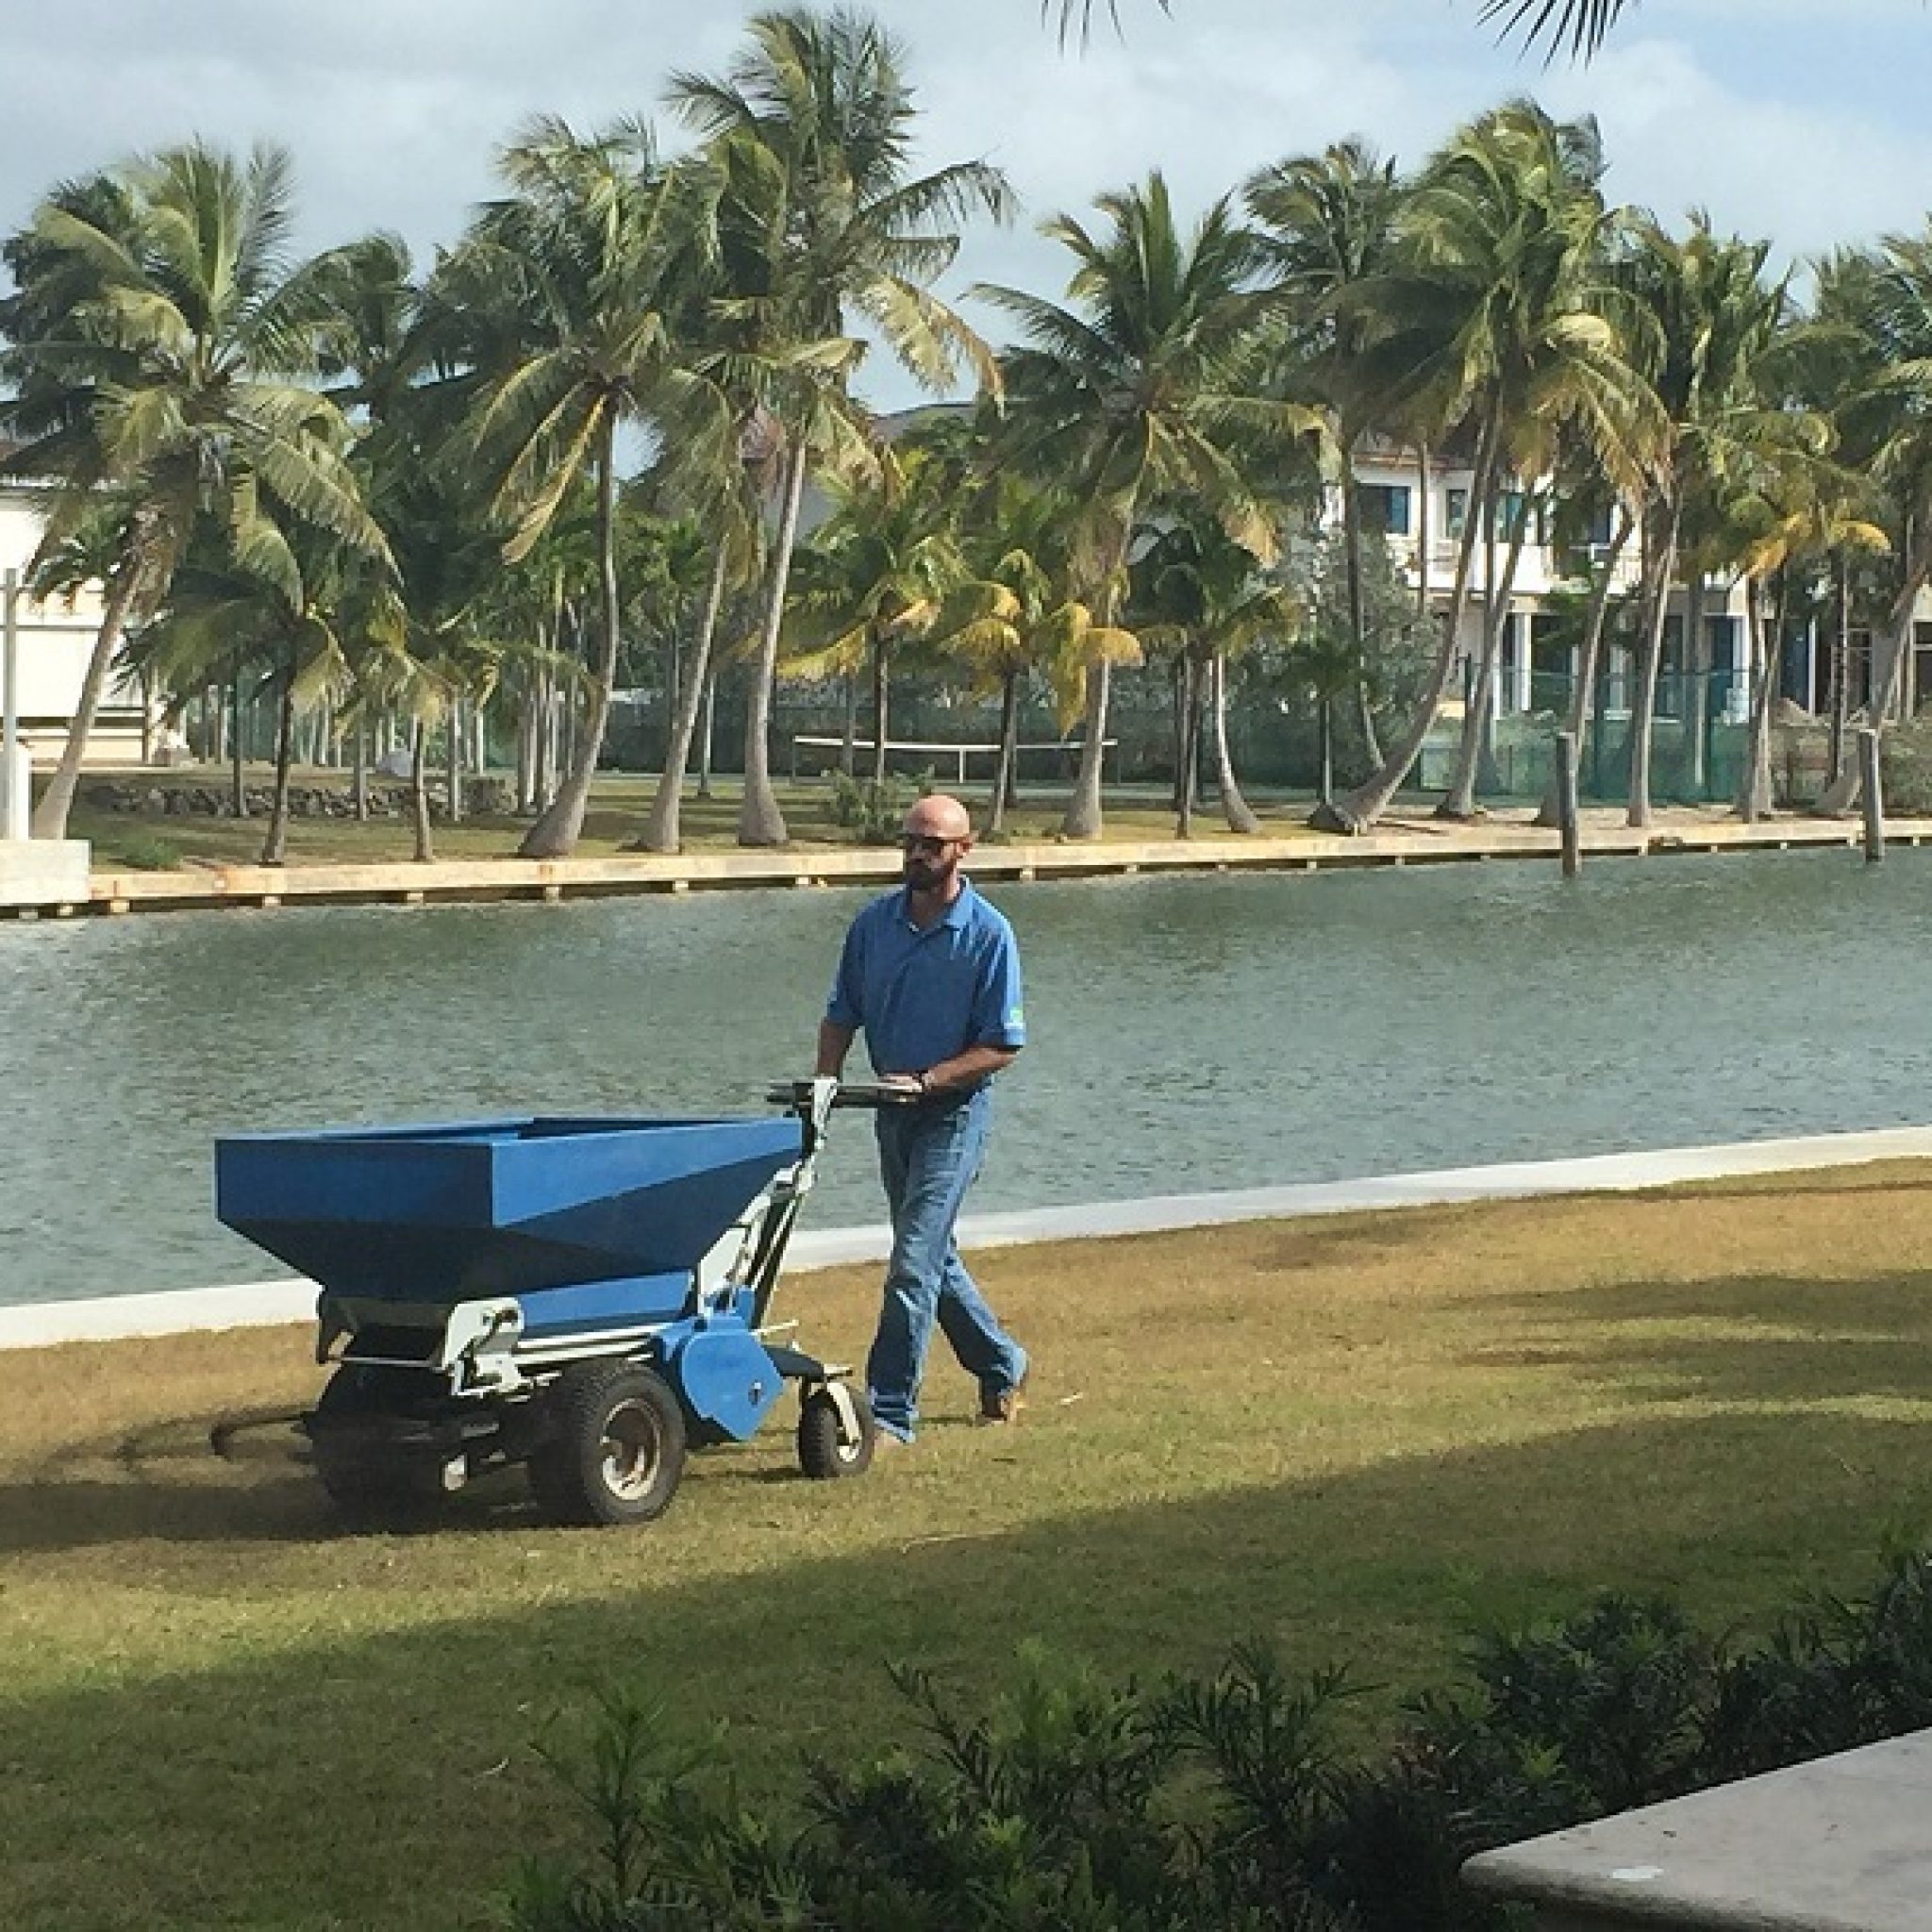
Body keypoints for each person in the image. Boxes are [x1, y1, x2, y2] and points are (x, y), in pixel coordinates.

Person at [815, 792, 1030, 1443]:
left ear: (963, 851)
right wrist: (824, 1087)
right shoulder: (873, 926)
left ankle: (888, 1416)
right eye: (909, 841)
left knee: (912, 1263)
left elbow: (1004, 1044)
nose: (916, 853)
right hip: (891, 1113)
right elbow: (840, 1013)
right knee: (933, 1258)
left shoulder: (989, 934)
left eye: (931, 844)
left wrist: (931, 1080)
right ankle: (1003, 1364)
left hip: (952, 1115)